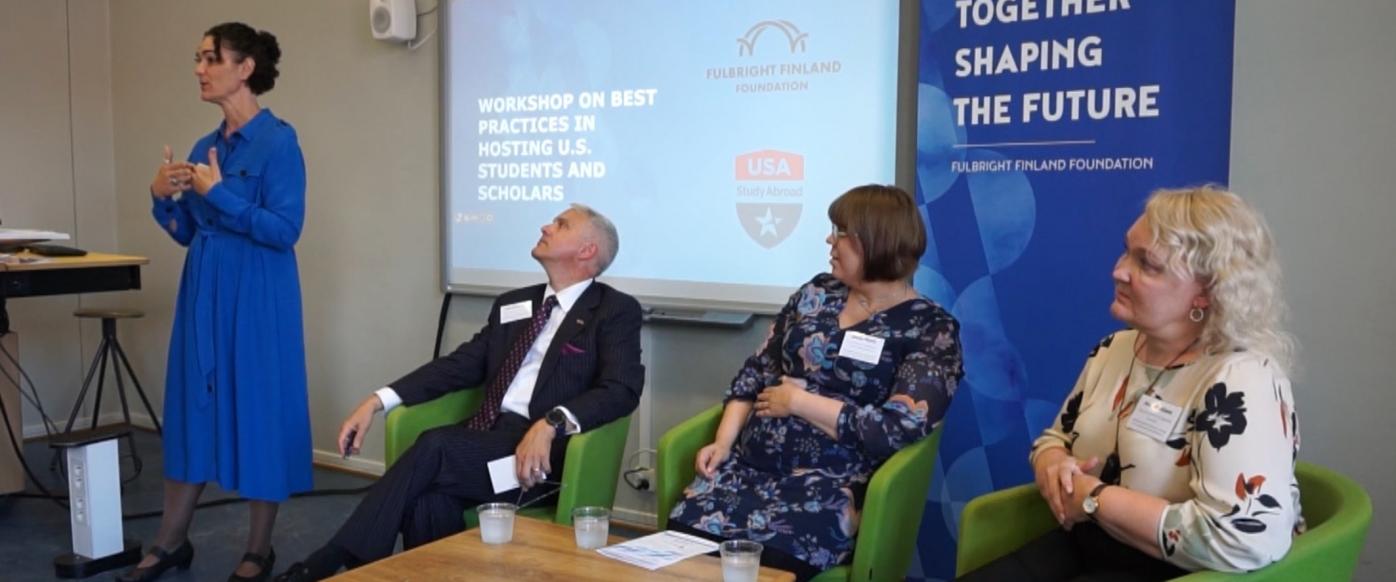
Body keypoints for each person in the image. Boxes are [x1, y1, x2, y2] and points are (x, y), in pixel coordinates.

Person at [275, 204, 644, 581]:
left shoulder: (614, 311)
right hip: (483, 445)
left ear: (587, 251)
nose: (546, 226)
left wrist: (551, 424)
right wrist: (377, 401)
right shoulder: (514, 304)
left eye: (561, 224)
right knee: (426, 501)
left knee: (437, 446)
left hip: (536, 464)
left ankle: (331, 561)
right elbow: (459, 365)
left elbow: (622, 389)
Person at [958, 186, 1302, 581]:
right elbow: (1054, 439)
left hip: (1177, 569)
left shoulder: (1241, 380)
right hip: (1090, 543)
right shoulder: (1114, 349)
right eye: (1126, 251)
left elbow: (1243, 539)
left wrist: (1093, 498)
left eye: (1147, 264)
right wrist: (1054, 467)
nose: (1118, 270)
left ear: (1206, 293)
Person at [666, 184, 964, 581]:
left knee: (764, 569)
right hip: (743, 473)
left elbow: (898, 428)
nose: (830, 240)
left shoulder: (930, 328)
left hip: (825, 491)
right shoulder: (816, 293)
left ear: (876, 242)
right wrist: (723, 442)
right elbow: (756, 371)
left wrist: (799, 403)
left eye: (841, 232)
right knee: (676, 556)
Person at [121, 22, 307, 582]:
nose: (200, 69)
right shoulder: (205, 147)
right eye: (197, 59)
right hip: (204, 289)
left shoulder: (279, 141)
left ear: (245, 67)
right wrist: (161, 197)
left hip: (257, 295)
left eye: (210, 58)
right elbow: (188, 232)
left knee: (258, 407)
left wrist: (217, 193)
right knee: (191, 407)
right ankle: (170, 541)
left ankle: (258, 549)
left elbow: (284, 229)